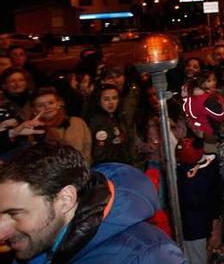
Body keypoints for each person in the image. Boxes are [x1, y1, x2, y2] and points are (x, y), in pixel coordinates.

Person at [0, 142, 184, 263]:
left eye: (14, 214)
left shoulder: (147, 255)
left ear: (65, 200)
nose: (1, 231)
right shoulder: (36, 245)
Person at [31, 87, 92, 165]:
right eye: (40, 105)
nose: (47, 107)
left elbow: (87, 150)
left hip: (79, 169)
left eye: (51, 103)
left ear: (59, 103)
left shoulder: (76, 123)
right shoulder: (31, 130)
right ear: (34, 110)